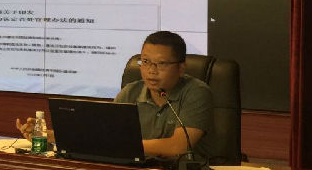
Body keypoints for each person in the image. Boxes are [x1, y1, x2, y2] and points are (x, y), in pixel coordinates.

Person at [16, 31, 213, 159]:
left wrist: (121, 145)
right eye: (145, 62)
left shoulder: (196, 92)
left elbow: (178, 146)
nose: (151, 71)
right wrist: (48, 135)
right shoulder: (131, 92)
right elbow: (99, 136)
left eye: (161, 64)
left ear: (181, 68)